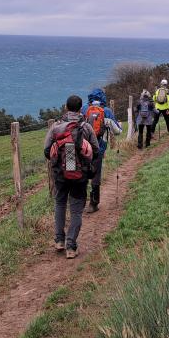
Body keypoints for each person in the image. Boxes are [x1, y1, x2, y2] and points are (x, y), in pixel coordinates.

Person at [44, 95, 100, 257]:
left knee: (60, 204)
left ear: (66, 108)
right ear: (81, 108)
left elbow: (47, 150)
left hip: (60, 174)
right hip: (80, 174)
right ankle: (71, 247)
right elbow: (95, 151)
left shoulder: (56, 127)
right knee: (76, 210)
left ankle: (59, 240)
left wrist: (59, 162)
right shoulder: (86, 127)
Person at [81, 89, 121, 213]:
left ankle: (80, 201)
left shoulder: (83, 109)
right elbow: (117, 131)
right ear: (103, 97)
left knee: (82, 173)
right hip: (99, 147)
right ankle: (93, 203)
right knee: (96, 174)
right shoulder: (107, 111)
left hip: (83, 148)